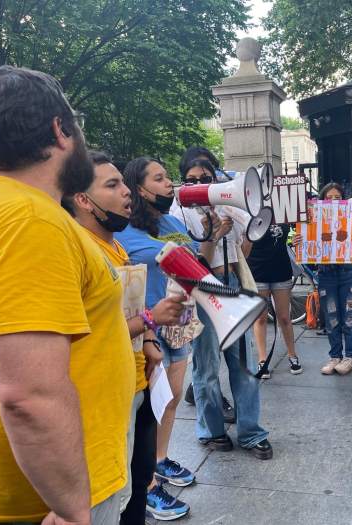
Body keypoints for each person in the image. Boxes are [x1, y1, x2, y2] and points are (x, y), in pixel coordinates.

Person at [0, 65, 134, 524]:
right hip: (45, 499)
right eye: (77, 124)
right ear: (59, 130)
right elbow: (29, 394)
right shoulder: (26, 221)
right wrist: (71, 510)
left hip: (44, 488)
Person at [61, 151, 188, 523]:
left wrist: (148, 339)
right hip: (105, 399)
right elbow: (83, 330)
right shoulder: (80, 249)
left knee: (137, 484)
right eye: (112, 185)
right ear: (83, 200)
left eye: (124, 184)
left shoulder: (115, 247)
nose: (126, 193)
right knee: (114, 498)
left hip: (137, 383)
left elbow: (127, 313)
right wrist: (151, 317)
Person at [117, 156, 214, 520]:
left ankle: (159, 460)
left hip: (180, 317)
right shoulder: (122, 230)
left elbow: (196, 267)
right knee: (148, 408)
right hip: (148, 326)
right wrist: (143, 333)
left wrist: (211, 239)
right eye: (159, 179)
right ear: (140, 188)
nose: (168, 184)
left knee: (170, 400)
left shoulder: (172, 221)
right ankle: (146, 486)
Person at [173, 157, 273, 459]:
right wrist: (212, 236)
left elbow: (245, 247)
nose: (199, 182)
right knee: (206, 366)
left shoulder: (225, 203)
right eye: (192, 179)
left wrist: (236, 231)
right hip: (203, 290)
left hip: (231, 283)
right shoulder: (178, 213)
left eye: (205, 176)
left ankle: (251, 432)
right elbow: (190, 265)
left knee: (243, 362)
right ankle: (211, 430)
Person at [308, 182, 352, 375]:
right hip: (326, 274)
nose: (333, 201)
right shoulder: (313, 221)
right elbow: (306, 242)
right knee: (331, 319)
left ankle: (350, 357)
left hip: (348, 273)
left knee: (349, 318)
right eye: (329, 198)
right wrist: (299, 241)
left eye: (337, 198)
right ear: (322, 201)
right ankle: (335, 356)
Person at [245, 218, 303, 377]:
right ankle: (262, 359)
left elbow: (297, 229)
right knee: (260, 318)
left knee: (284, 317)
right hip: (257, 271)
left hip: (281, 270)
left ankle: (292, 355)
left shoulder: (284, 211)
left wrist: (297, 239)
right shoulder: (250, 213)